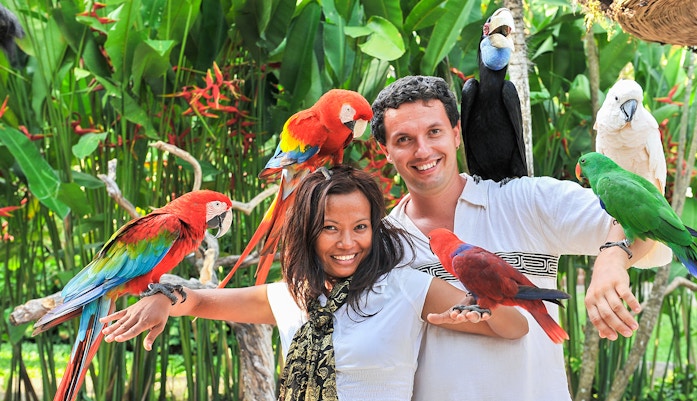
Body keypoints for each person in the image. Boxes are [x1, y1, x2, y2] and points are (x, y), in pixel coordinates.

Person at [100, 165, 528, 400]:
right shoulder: (292, 296)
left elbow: (516, 328)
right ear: (307, 231)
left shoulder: (405, 287)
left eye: (360, 227)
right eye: (329, 228)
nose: (347, 243)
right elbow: (200, 301)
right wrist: (161, 300)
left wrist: (481, 308)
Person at [369, 75, 655, 401]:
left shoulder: (527, 201)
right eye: (404, 139)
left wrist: (612, 259)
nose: (423, 150)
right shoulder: (379, 246)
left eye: (434, 132)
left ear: (456, 133)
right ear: (386, 151)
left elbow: (648, 217)